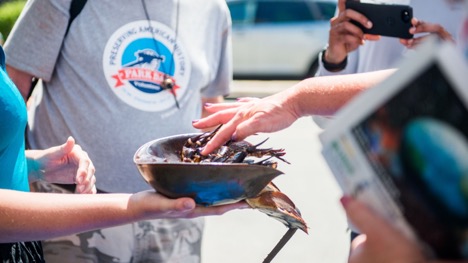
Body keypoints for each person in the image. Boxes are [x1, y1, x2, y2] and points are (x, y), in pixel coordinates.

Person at [192, 0, 468, 260]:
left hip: (445, 223)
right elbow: (325, 119)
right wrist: (334, 60)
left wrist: (449, 67)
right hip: (374, 211)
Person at [5, 0, 233, 262]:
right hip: (74, 213)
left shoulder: (214, 9)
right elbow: (13, 91)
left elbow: (210, 107)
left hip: (177, 214)